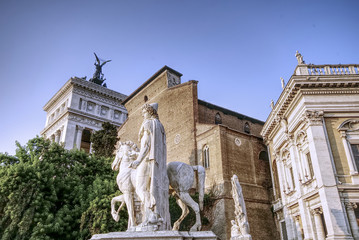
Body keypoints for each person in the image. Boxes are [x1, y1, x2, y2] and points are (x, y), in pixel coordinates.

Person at [129, 103, 171, 230]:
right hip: (156, 162)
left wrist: (137, 160)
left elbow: (146, 145)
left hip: (146, 160)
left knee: (140, 189)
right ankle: (152, 216)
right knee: (149, 188)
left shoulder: (148, 124)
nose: (142, 114)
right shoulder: (160, 126)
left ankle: (152, 215)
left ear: (150, 112)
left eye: (144, 112)